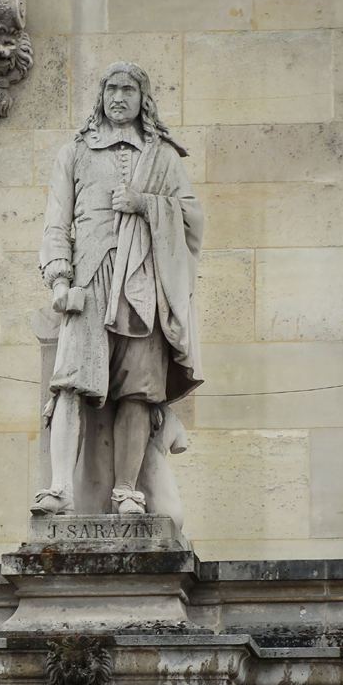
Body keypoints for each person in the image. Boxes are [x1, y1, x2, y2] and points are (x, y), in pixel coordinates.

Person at [31, 61, 203, 517]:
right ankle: (60, 487)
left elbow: (191, 220)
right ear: (101, 96)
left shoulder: (162, 155)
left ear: (142, 97)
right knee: (69, 383)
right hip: (88, 284)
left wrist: (145, 204)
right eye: (111, 88)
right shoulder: (76, 152)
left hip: (142, 284)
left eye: (128, 89)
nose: (118, 97)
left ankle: (127, 490)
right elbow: (56, 222)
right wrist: (60, 279)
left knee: (138, 391)